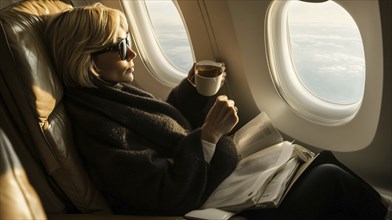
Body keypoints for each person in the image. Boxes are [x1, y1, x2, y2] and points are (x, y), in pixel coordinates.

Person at [45, 3, 389, 219]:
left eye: (131, 41)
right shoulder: (94, 124)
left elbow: (162, 127)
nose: (133, 54)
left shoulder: (108, 92)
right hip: (207, 200)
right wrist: (208, 135)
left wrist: (193, 90)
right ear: (86, 58)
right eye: (122, 47)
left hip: (214, 179)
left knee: (322, 160)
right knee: (330, 181)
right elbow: (163, 193)